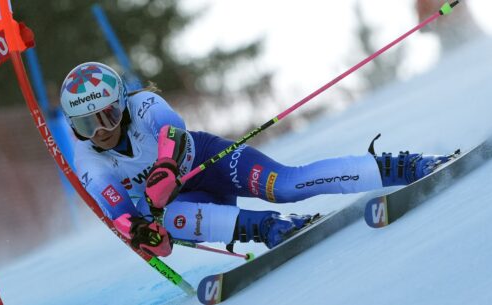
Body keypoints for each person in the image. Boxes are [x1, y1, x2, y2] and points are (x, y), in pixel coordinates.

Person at [59, 62, 453, 257]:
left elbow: (172, 134)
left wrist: (164, 168)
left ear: (122, 105)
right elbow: (121, 214)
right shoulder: (88, 160)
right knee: (170, 219)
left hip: (207, 161)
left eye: (107, 117)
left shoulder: (144, 103)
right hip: (184, 205)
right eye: (84, 124)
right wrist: (144, 235)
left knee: (285, 185)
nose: (100, 132)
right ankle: (269, 228)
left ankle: (403, 166)